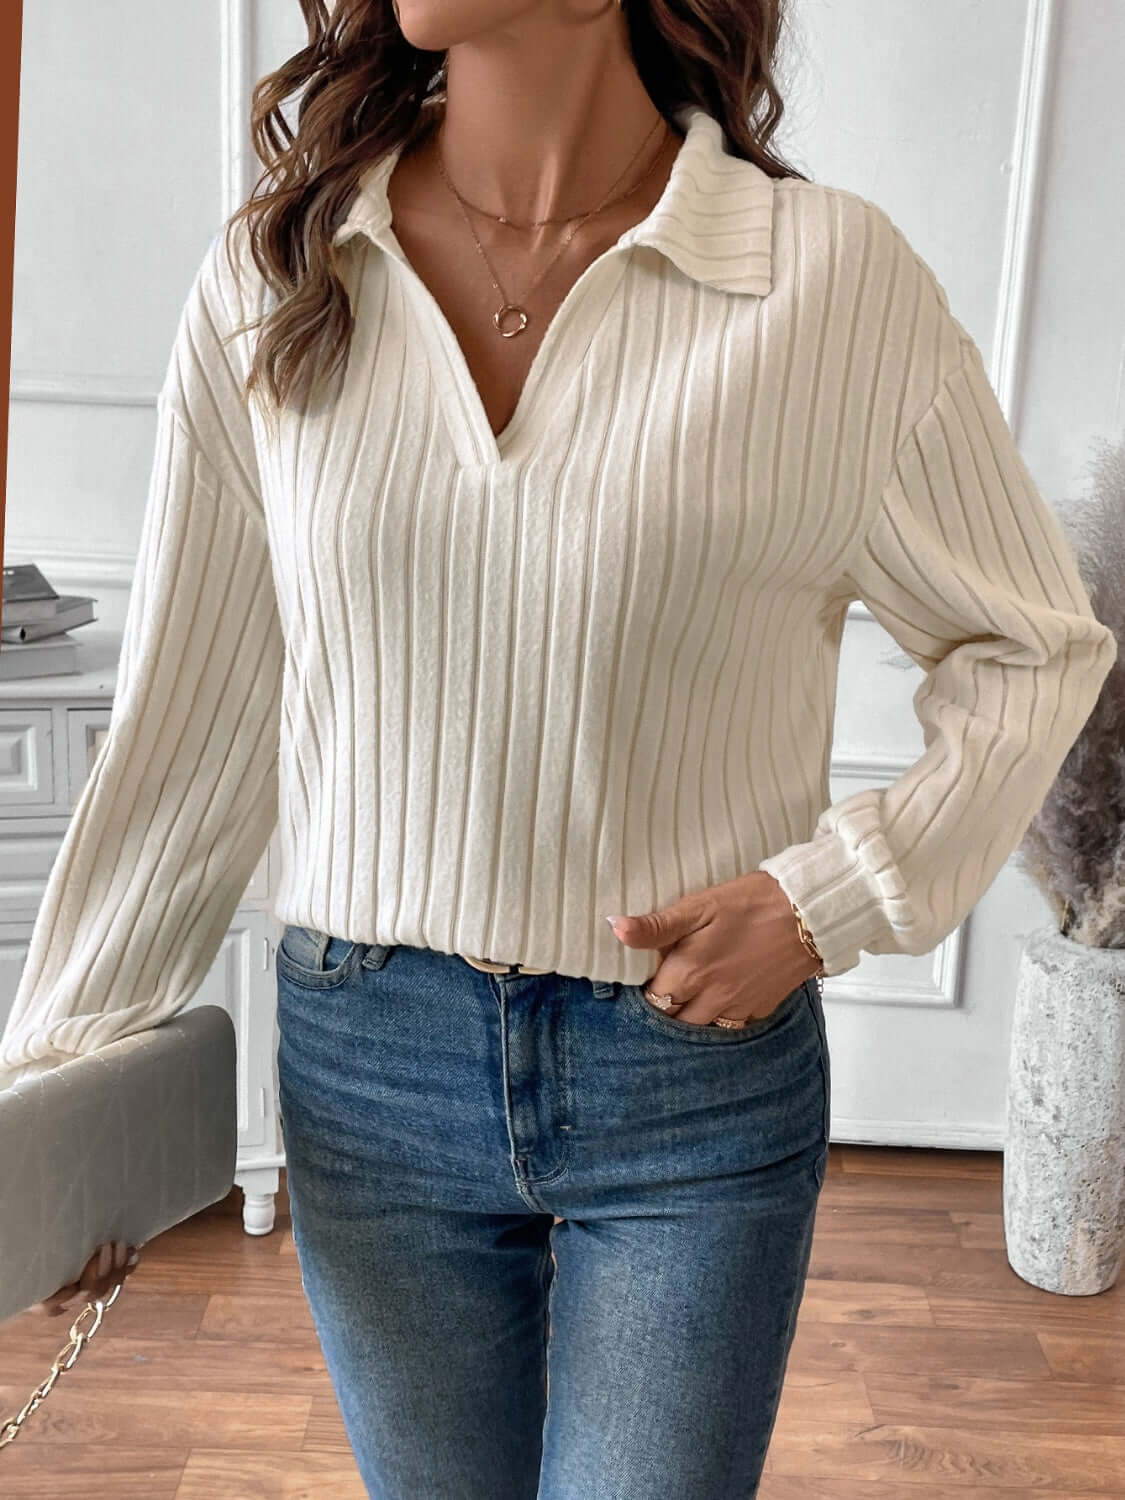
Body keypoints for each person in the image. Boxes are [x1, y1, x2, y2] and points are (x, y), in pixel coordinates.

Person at [2, 0, 1116, 1493]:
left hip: (686, 1080)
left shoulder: (829, 285)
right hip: (365, 1066)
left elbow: (1029, 643)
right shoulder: (280, 273)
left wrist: (826, 898)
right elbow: (190, 724)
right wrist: (64, 1104)